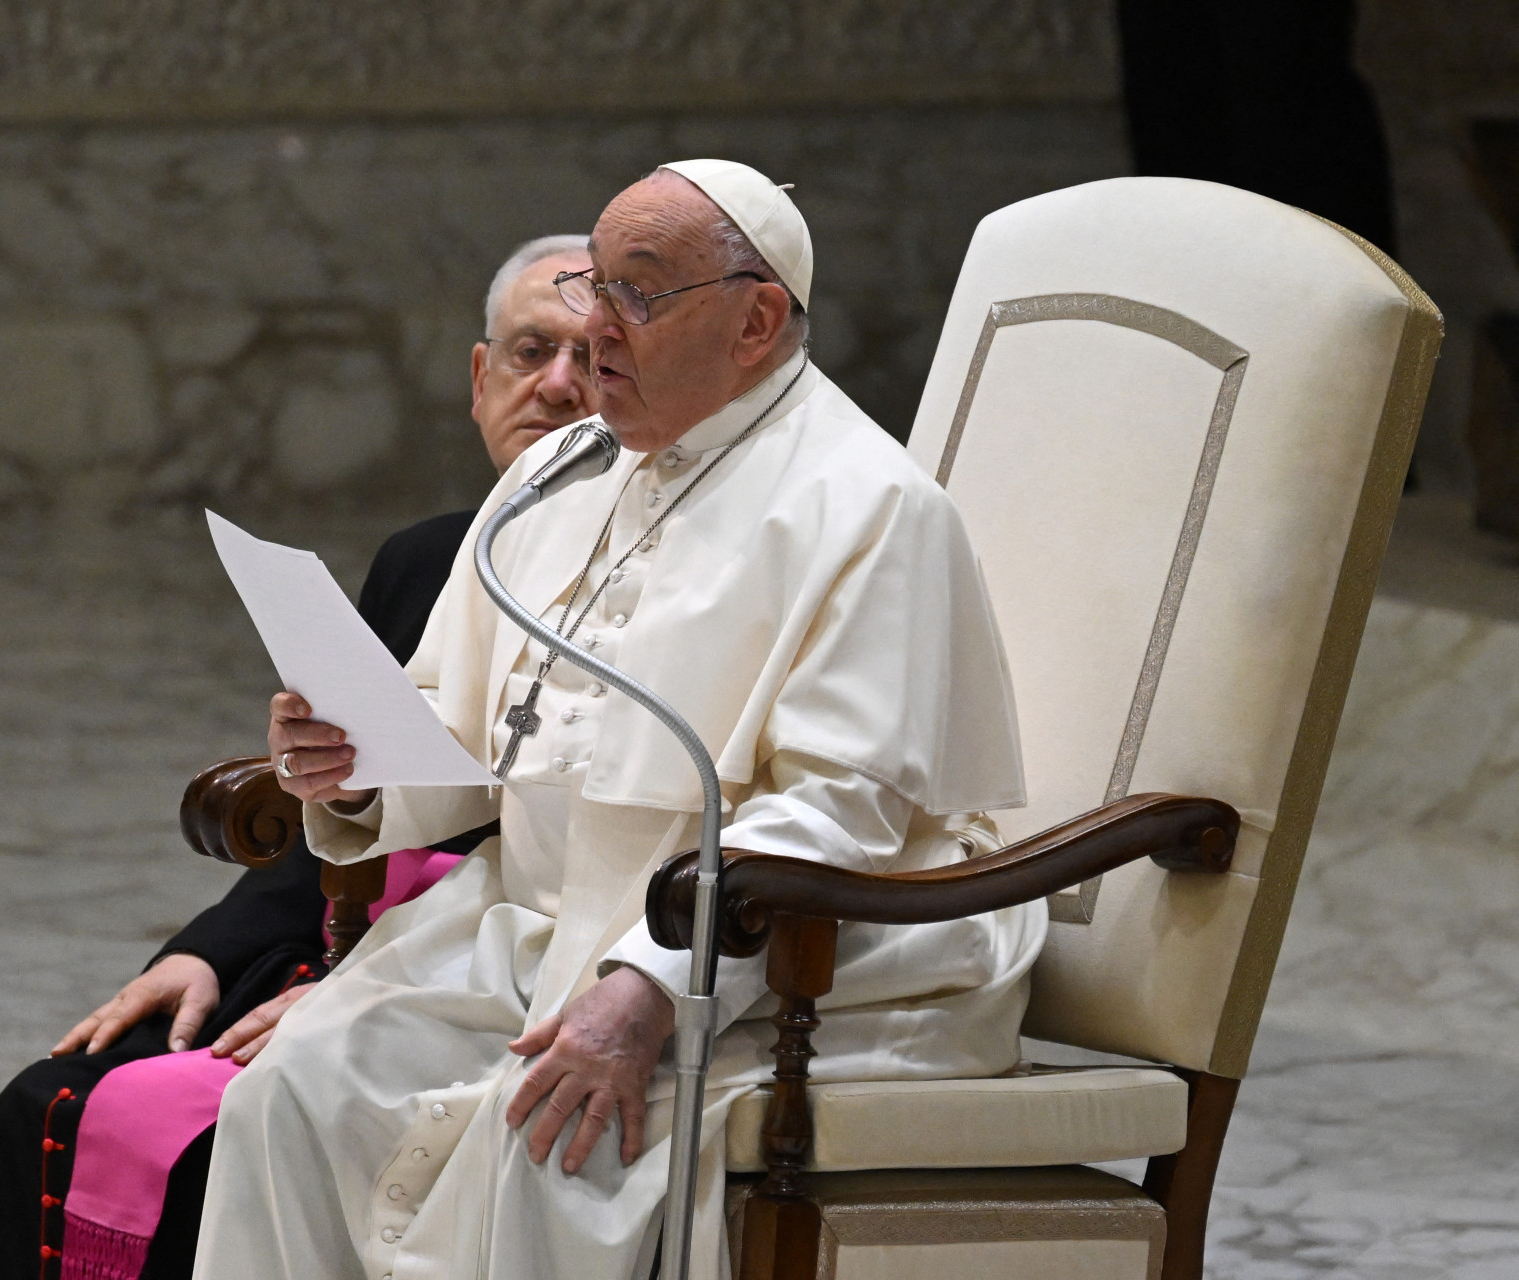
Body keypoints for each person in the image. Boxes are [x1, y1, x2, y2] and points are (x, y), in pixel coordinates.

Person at [193, 160, 1045, 1280]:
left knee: (552, 1152)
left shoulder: (871, 508)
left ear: (756, 321)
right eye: (594, 285)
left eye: (636, 294)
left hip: (782, 956)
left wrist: (648, 986)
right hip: (536, 924)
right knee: (293, 1089)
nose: (596, 326)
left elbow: (841, 809)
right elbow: (466, 726)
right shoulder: (556, 472)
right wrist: (355, 770)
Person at [0, 233, 597, 1279]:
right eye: (530, 351)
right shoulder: (426, 558)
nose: (555, 386)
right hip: (346, 928)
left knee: (214, 1148)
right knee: (47, 1102)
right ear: (478, 378)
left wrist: (363, 992)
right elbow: (344, 812)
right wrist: (208, 951)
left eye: (592, 358)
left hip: (482, 973)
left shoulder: (659, 588)